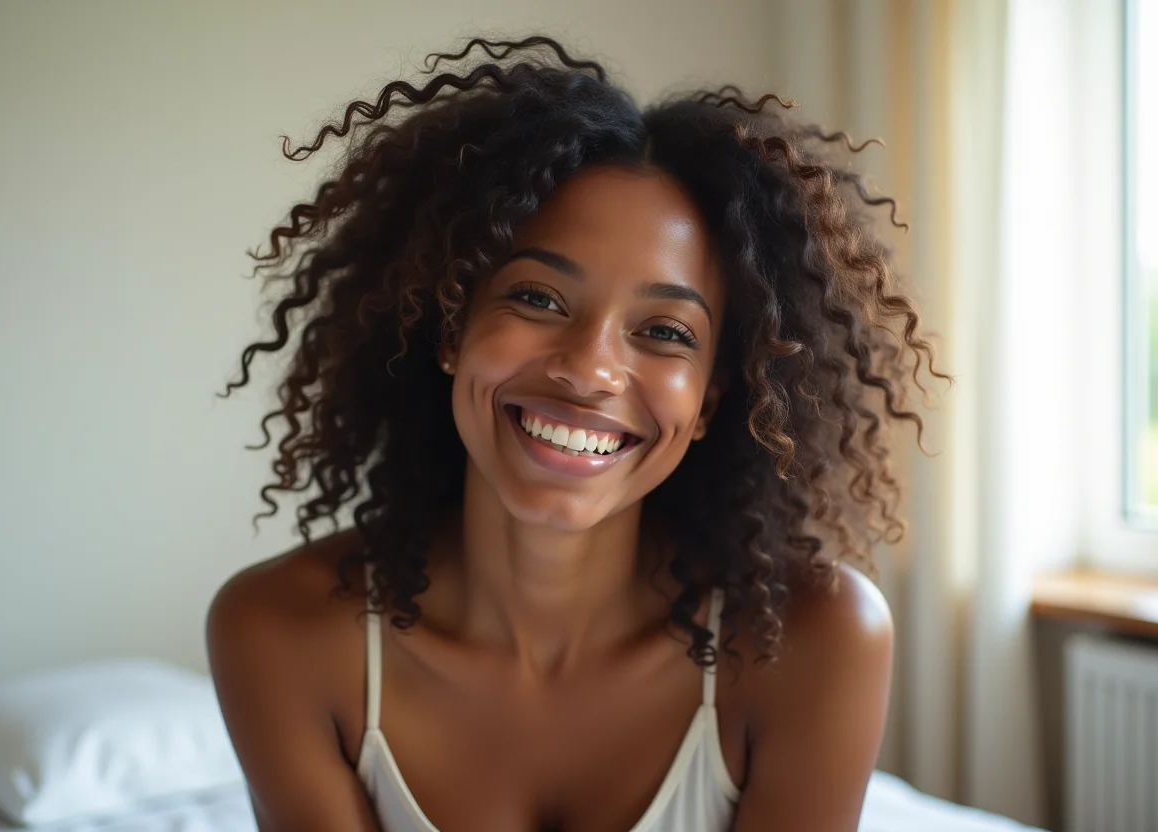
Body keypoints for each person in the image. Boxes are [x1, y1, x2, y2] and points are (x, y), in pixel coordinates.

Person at [206, 34, 946, 832]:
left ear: (708, 403)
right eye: (538, 299)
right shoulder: (281, 633)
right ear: (451, 329)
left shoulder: (815, 641)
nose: (590, 371)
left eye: (665, 332)